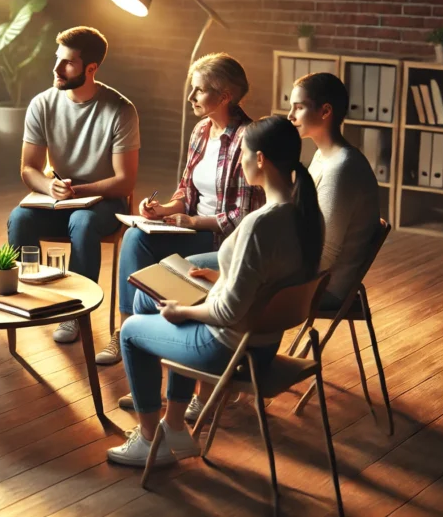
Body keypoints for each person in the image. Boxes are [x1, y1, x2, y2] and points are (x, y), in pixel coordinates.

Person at [106, 115, 324, 469]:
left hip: (226, 348)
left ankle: (150, 440)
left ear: (261, 159)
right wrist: (221, 276)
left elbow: (225, 313)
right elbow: (267, 277)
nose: (239, 160)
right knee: (170, 295)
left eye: (243, 154)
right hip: (263, 344)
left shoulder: (260, 224)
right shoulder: (303, 214)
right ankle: (174, 426)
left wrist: (183, 312)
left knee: (131, 331)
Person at [102, 53, 264, 366]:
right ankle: (126, 331)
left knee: (171, 261)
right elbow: (186, 191)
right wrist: (162, 210)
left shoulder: (248, 138)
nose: (191, 96)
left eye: (199, 90)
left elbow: (241, 218)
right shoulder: (201, 131)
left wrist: (192, 221)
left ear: (225, 96)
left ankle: (155, 332)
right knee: (135, 237)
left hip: (220, 241)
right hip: (190, 227)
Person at [7, 26, 140, 344]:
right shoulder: (42, 104)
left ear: (90, 69)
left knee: (82, 222)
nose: (56, 69)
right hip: (58, 196)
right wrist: (48, 187)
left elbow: (125, 182)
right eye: (57, 60)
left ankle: (73, 312)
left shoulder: (120, 110)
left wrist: (78, 191)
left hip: (104, 199)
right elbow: (29, 168)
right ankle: (27, 298)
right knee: (19, 218)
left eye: (67, 62)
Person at [288, 72, 380, 309]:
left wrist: (269, 267)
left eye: (298, 108)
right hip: (307, 273)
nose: (290, 116)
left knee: (227, 279)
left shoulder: (342, 169)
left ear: (325, 111)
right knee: (209, 267)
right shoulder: (323, 155)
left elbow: (324, 258)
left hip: (323, 287)